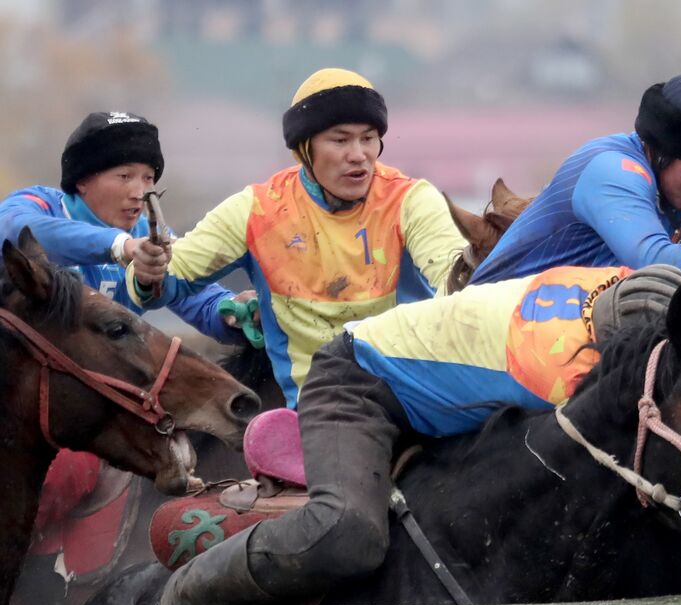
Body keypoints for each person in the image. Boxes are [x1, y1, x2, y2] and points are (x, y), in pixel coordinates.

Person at [151, 265, 681, 605]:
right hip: (360, 384)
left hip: (452, 406)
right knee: (347, 530)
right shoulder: (552, 368)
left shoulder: (631, 289)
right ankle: (191, 591)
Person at [127, 69, 465, 408]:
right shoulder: (256, 210)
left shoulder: (413, 200)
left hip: (419, 398)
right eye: (340, 139)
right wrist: (147, 271)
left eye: (368, 138)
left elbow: (456, 276)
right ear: (304, 149)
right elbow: (164, 283)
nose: (359, 154)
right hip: (324, 409)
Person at [470, 73, 681, 290]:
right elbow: (651, 259)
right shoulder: (611, 169)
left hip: (557, 339)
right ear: (662, 150)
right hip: (486, 331)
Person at [0, 111, 248, 342]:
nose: (140, 192)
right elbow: (13, 232)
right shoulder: (39, 204)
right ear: (83, 181)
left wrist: (236, 312)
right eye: (125, 177)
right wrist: (120, 245)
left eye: (148, 178)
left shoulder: (147, 236)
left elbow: (200, 301)